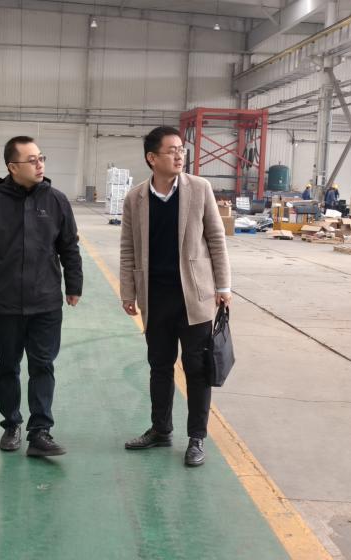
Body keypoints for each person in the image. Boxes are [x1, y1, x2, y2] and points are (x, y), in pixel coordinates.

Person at [119, 126, 231, 467]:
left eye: (182, 149)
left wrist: (223, 287)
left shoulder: (199, 188)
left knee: (197, 368)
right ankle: (160, 429)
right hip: (155, 297)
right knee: (159, 366)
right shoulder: (136, 198)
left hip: (194, 296)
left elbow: (216, 238)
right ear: (152, 158)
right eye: (172, 150)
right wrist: (128, 291)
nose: (180, 155)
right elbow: (128, 248)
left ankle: (196, 437)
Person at [0, 136, 83, 458]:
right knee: (8, 366)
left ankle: (40, 431)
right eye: (32, 160)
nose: (39, 164)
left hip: (46, 302)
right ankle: (11, 424)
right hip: (6, 303)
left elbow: (69, 247)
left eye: (41, 157)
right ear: (12, 167)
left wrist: (74, 285)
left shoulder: (56, 201)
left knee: (43, 365)